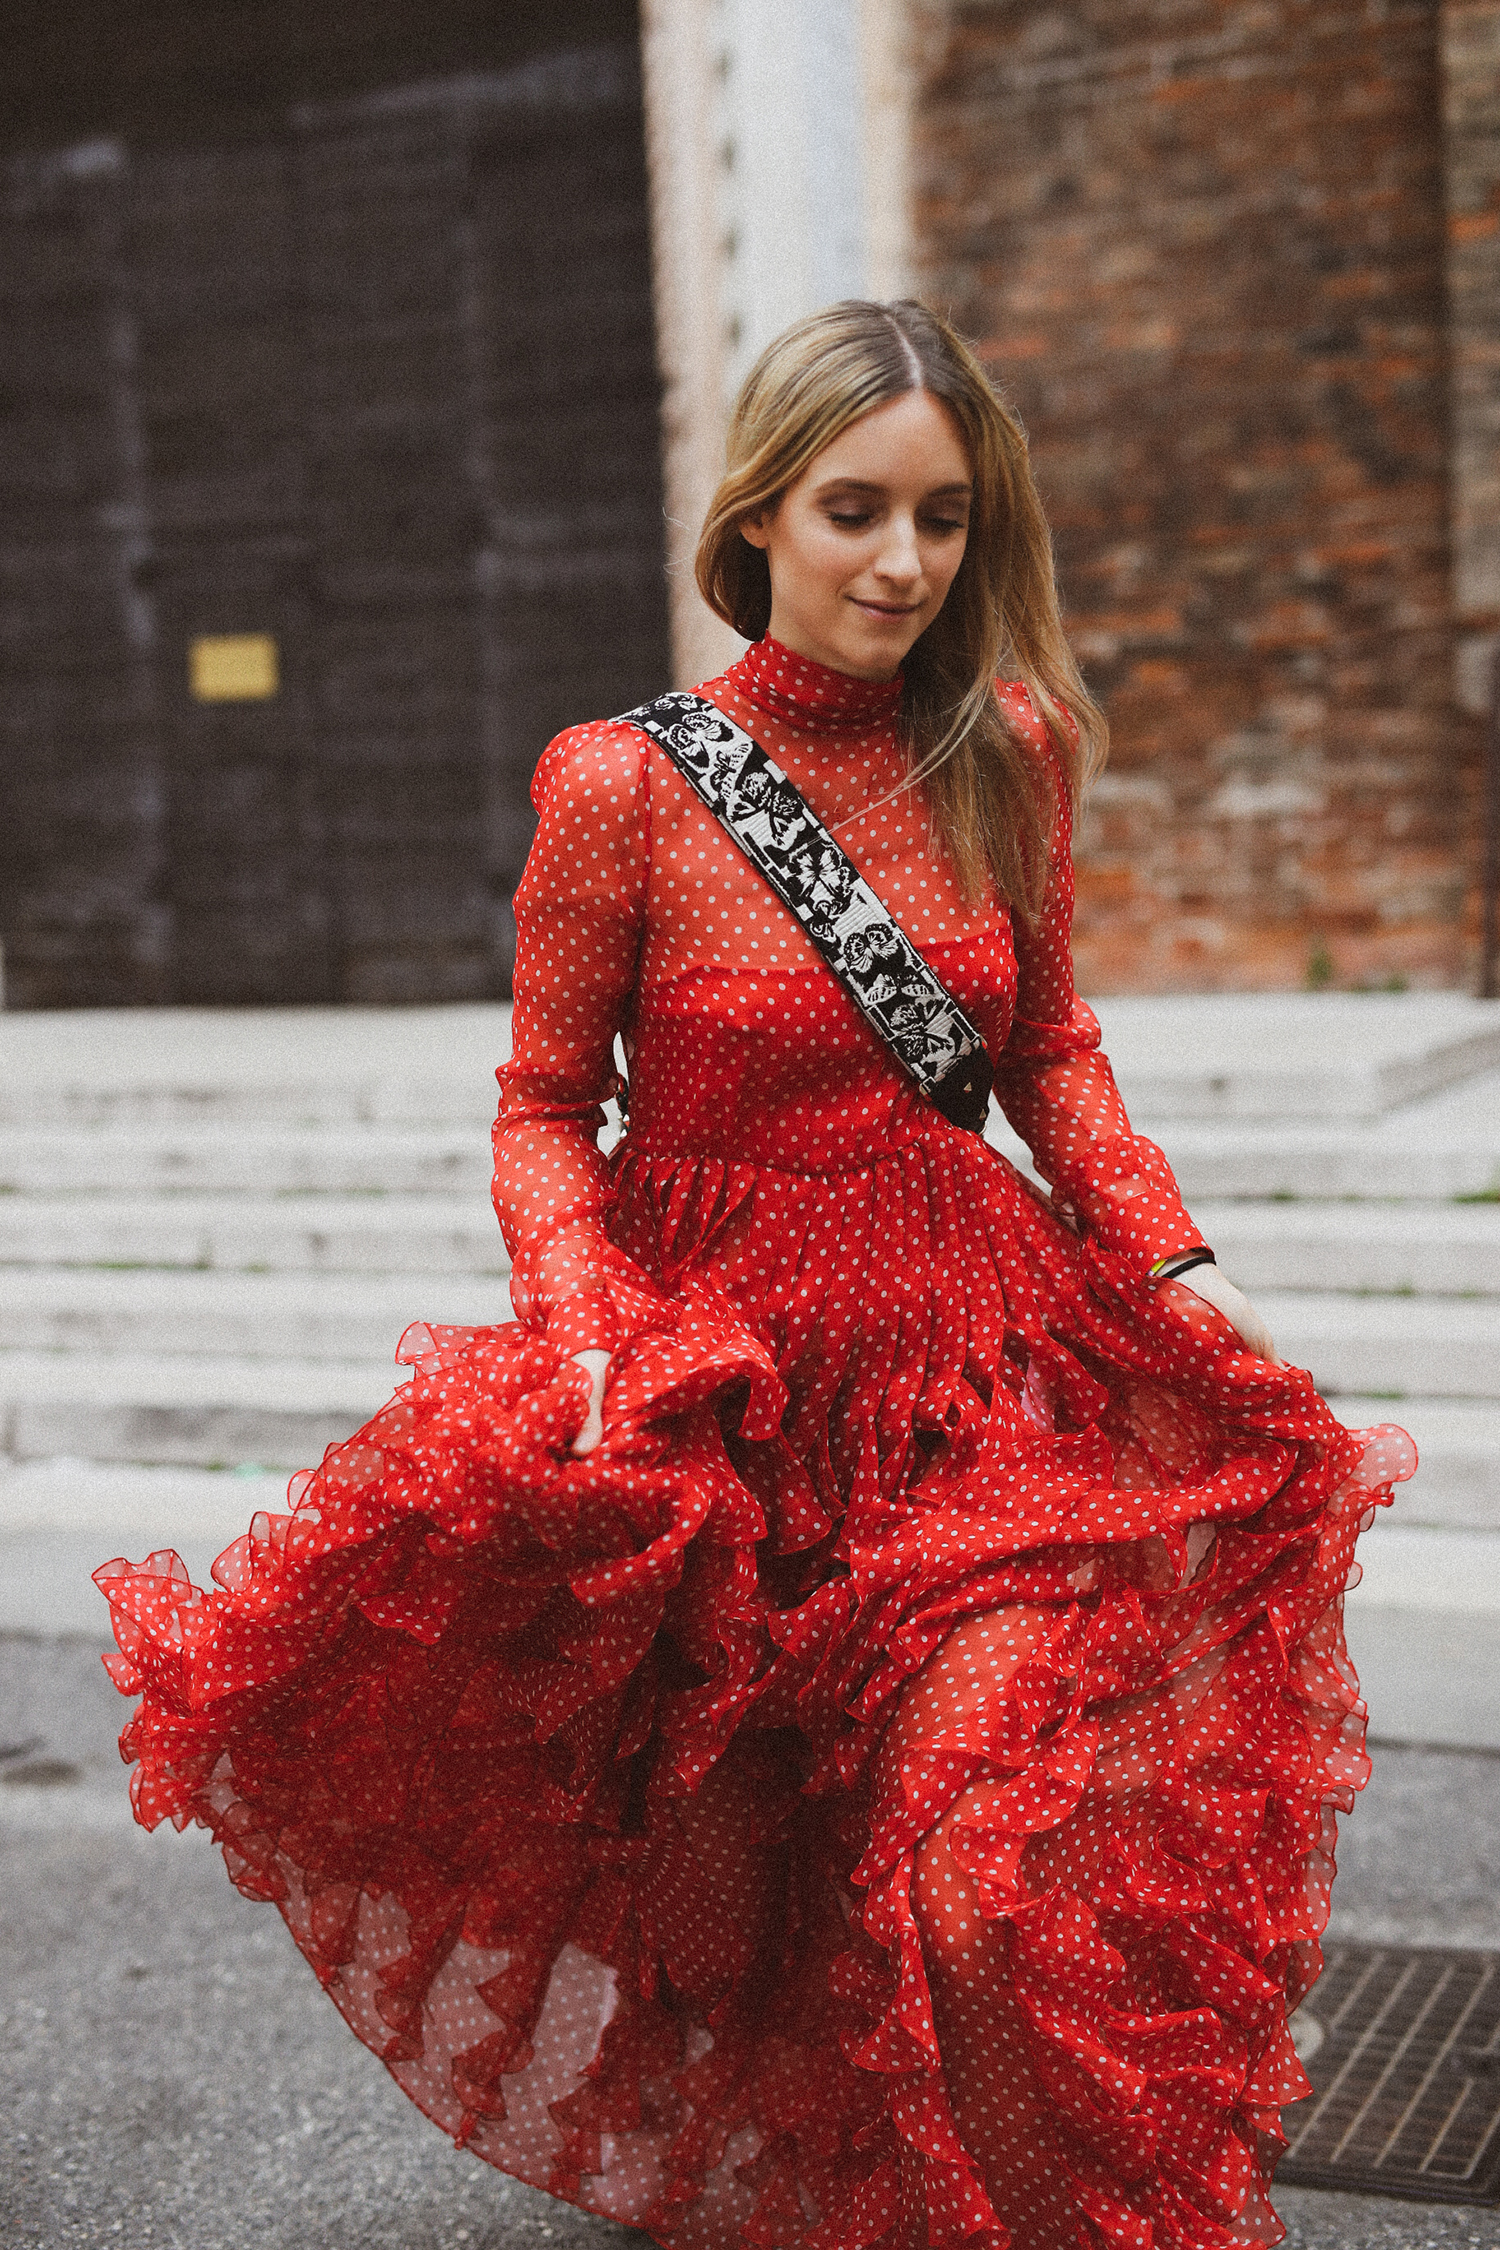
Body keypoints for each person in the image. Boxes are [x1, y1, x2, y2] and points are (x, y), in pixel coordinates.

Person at [97, 300, 1414, 2250]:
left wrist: (1170, 1254)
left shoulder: (1007, 748)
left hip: (973, 1387)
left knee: (976, 1875)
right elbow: (544, 1107)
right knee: (725, 1924)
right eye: (858, 510)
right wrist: (587, 1320)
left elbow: (1050, 1051)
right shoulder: (623, 786)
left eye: (946, 521)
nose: (903, 564)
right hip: (720, 1406)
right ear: (762, 518)